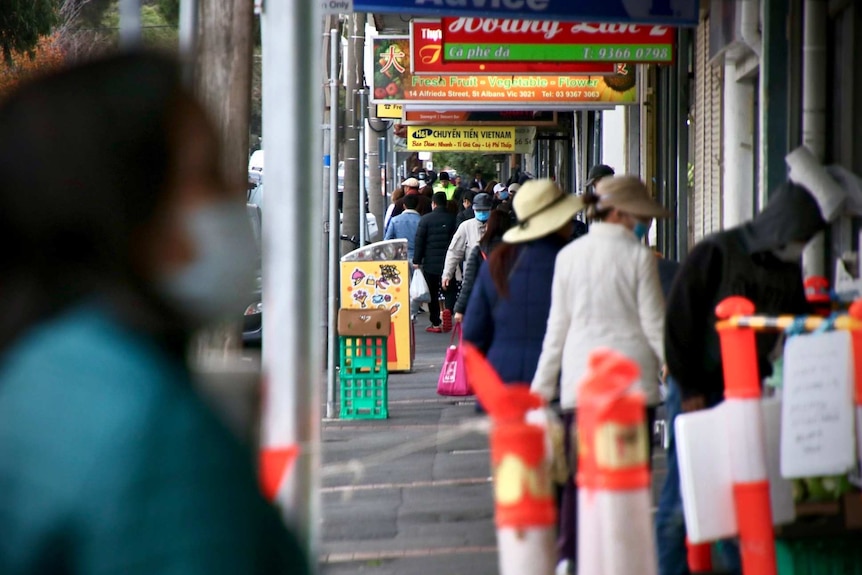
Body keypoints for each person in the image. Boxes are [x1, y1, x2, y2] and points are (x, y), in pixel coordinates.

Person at [0, 52, 308, 574]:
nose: (233, 197)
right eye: (206, 175)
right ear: (123, 206)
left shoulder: (38, 369)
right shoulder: (156, 434)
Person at [656, 182, 827, 575]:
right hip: (697, 386)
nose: (800, 246)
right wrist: (691, 387)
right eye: (799, 237)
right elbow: (678, 323)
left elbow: (796, 320)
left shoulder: (786, 267)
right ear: (780, 228)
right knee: (684, 496)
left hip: (747, 390)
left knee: (740, 492)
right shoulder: (717, 252)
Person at [530, 175, 668, 575]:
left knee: (579, 476)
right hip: (632, 388)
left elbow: (557, 328)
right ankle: (626, 558)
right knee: (631, 479)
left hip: (582, 386)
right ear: (621, 214)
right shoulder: (639, 257)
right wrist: (672, 366)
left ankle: (570, 555)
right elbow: (654, 323)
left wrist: (540, 389)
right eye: (641, 216)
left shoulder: (568, 256)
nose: (644, 223)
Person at [462, 178, 581, 388]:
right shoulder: (574, 261)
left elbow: (473, 333)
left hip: (502, 382)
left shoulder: (498, 262)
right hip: (562, 381)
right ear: (559, 221)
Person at [453, 208, 512, 323]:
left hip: (484, 303)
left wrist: (460, 309)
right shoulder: (517, 250)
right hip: (510, 302)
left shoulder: (480, 250)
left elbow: (469, 282)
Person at [413, 192, 456, 333]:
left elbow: (419, 241)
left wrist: (417, 260)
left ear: (434, 203)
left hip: (430, 262)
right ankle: (448, 310)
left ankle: (436, 322)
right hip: (448, 261)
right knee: (449, 288)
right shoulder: (452, 219)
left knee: (432, 292)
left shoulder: (425, 220)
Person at [442, 192, 492, 292]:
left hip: (493, 275)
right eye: (479, 210)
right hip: (471, 276)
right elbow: (454, 252)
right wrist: (447, 274)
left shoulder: (497, 225)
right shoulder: (466, 226)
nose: (482, 213)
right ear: (473, 209)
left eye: (485, 210)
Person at [384, 194, 421, 261]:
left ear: (404, 206)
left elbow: (387, 240)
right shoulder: (421, 221)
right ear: (417, 206)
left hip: (400, 258)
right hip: (417, 258)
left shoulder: (395, 220)